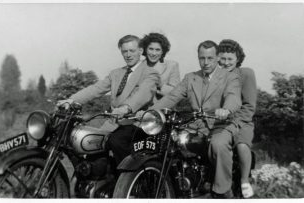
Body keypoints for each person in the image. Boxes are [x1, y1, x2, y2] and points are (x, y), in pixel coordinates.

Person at [150, 40, 241, 198]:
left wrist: (226, 109)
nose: (205, 63)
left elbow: (233, 97)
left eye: (210, 58)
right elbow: (172, 97)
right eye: (202, 58)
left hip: (221, 124)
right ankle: (180, 182)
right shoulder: (190, 78)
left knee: (218, 144)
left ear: (217, 57)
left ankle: (223, 191)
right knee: (167, 140)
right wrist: (149, 113)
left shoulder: (230, 77)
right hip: (195, 125)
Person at [57, 35, 160, 165]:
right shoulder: (116, 73)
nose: (128, 55)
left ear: (140, 51)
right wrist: (71, 100)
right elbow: (96, 89)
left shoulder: (150, 73)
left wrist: (126, 108)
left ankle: (126, 180)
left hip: (135, 124)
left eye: (132, 51)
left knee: (116, 142)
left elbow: (143, 94)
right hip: (113, 124)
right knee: (91, 144)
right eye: (124, 51)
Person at [218, 39, 257, 198]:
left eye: (230, 59)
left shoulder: (246, 73)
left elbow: (249, 106)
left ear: (238, 59)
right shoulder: (216, 76)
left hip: (242, 121)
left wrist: (235, 122)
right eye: (223, 59)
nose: (226, 63)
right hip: (220, 121)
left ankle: (244, 180)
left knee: (241, 145)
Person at [140, 32, 180, 101]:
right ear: (145, 49)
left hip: (162, 109)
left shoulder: (172, 66)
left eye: (157, 50)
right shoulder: (138, 66)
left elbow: (176, 93)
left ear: (162, 51)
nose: (154, 53)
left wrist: (160, 84)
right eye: (151, 49)